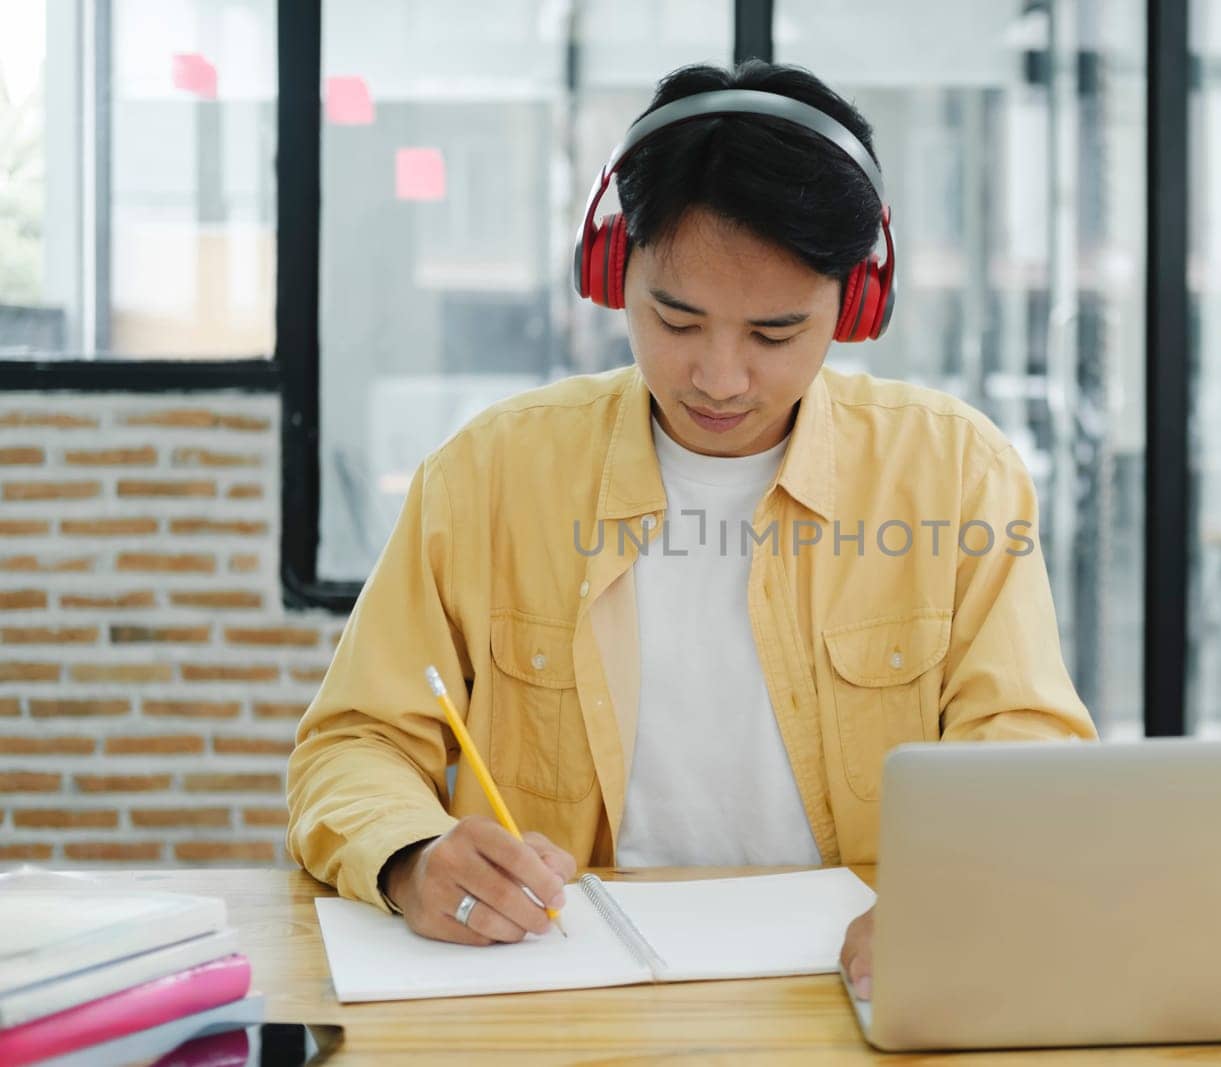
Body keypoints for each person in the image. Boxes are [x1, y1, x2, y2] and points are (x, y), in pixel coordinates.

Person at [285, 60, 1095, 1000]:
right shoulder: (489, 477)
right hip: (564, 998)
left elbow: (1026, 745)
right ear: (610, 270)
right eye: (676, 317)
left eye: (774, 333)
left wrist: (966, 885)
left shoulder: (955, 475)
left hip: (857, 990)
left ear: (857, 304)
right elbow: (353, 743)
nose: (718, 377)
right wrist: (413, 857)